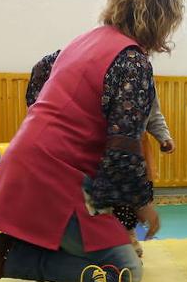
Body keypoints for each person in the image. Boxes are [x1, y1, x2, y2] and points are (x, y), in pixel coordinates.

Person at [0, 0, 182, 282]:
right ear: (162, 16)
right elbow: (124, 147)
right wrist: (144, 206)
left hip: (28, 164)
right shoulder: (133, 61)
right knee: (125, 273)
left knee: (103, 240)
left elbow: (40, 72)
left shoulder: (87, 40)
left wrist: (51, 124)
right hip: (56, 181)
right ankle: (7, 258)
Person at [25, 50, 175, 257]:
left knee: (129, 196)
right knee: (106, 199)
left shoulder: (142, 81)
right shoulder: (93, 77)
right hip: (108, 147)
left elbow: (154, 114)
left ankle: (128, 235)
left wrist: (164, 137)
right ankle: (110, 239)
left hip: (134, 147)